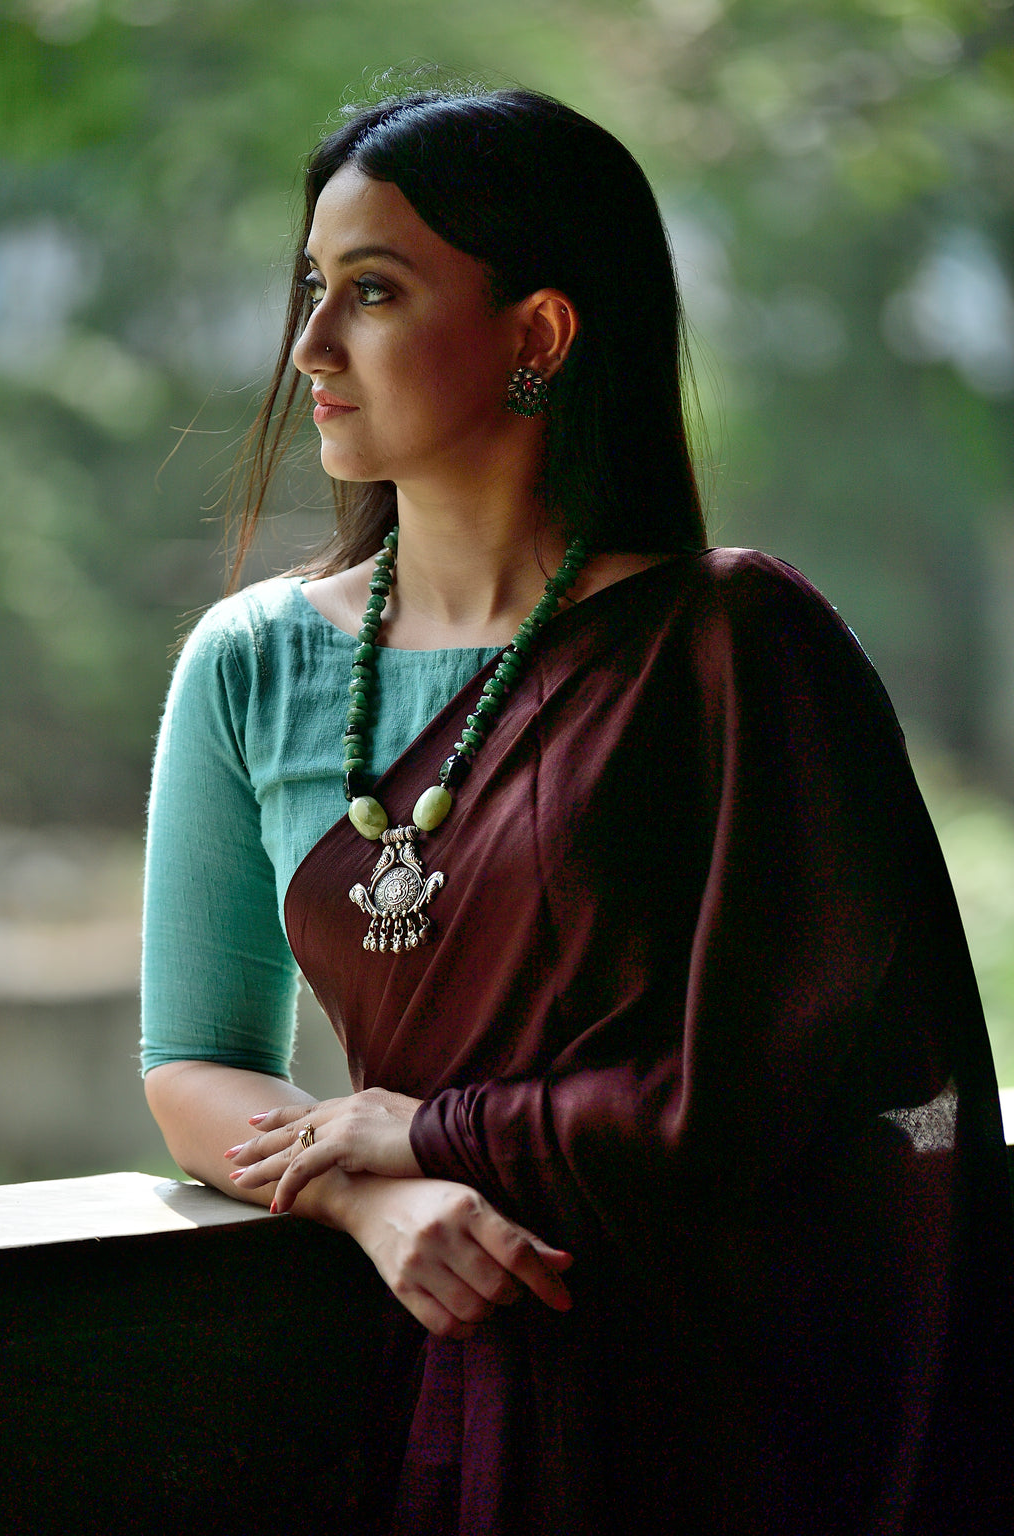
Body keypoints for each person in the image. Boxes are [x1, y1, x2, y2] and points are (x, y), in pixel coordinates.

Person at [141, 85, 1014, 1535]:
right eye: (311, 287)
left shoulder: (734, 648)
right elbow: (195, 1066)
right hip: (441, 1358)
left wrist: (432, 1133)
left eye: (372, 291)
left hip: (731, 1390)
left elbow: (788, 1087)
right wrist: (369, 1195)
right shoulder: (254, 663)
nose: (309, 347)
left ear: (538, 335)